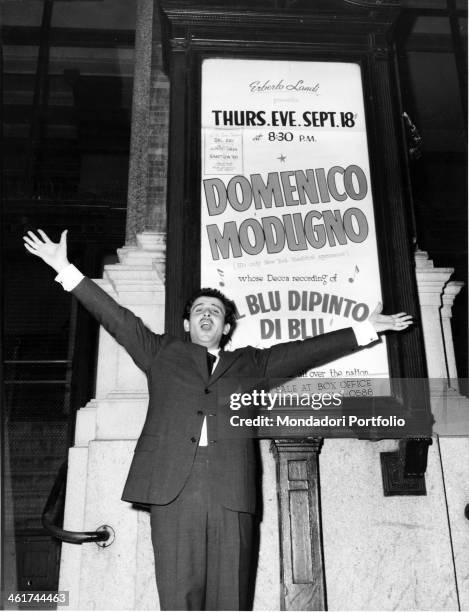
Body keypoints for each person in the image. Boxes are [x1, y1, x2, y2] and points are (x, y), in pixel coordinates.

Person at [23, 229, 412, 611]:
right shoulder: (161, 352)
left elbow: (303, 352)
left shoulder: (251, 363)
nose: (206, 314)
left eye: (215, 311)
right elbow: (117, 319)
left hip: (231, 490)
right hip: (174, 490)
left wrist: (364, 330)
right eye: (198, 310)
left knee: (231, 598)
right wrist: (64, 268)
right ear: (187, 325)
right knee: (179, 596)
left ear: (226, 327)